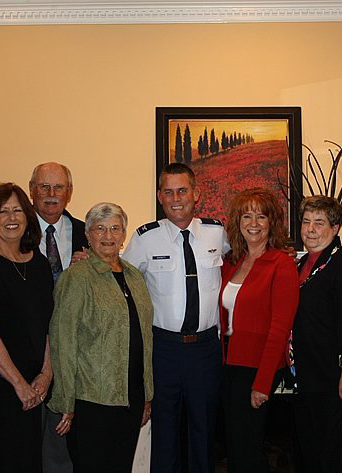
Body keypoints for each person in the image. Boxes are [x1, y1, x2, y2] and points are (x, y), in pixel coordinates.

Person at [123, 163, 229, 473]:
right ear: (159, 196)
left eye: (182, 190)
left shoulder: (216, 232)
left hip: (206, 349)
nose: (175, 198)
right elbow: (121, 278)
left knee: (204, 432)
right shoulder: (145, 238)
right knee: (165, 434)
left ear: (196, 194)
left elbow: (249, 257)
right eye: (168, 192)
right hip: (164, 350)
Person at [49, 202, 153, 473]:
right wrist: (65, 401)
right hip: (91, 401)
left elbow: (145, 339)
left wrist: (147, 395)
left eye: (115, 229)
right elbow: (63, 341)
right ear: (88, 234)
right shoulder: (77, 277)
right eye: (100, 229)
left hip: (130, 397)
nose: (108, 236)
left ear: (123, 235)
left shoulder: (134, 276)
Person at [0, 183, 54, 473]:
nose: (11, 217)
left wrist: (46, 374)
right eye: (3, 211)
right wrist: (20, 385)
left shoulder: (39, 265)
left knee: (28, 461)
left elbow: (50, 324)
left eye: (17, 210)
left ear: (28, 216)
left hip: (33, 383)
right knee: (0, 461)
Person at [218, 188, 298, 473]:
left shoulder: (281, 263)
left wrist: (262, 383)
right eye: (246, 216)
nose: (253, 223)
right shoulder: (231, 263)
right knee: (235, 449)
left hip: (257, 370)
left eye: (260, 216)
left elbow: (280, 328)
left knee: (251, 451)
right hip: (229, 368)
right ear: (237, 222)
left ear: (271, 222)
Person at [291, 196, 342, 473]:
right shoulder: (300, 265)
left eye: (319, 223)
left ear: (335, 228)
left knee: (334, 453)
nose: (310, 229)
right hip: (306, 377)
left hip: (333, 379)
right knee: (310, 452)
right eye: (306, 222)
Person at [29, 161, 87, 473]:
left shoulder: (87, 234)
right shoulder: (13, 231)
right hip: (25, 350)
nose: (51, 194)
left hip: (73, 353)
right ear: (31, 191)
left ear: (69, 192)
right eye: (44, 187)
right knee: (25, 443)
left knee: (62, 444)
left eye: (58, 187)